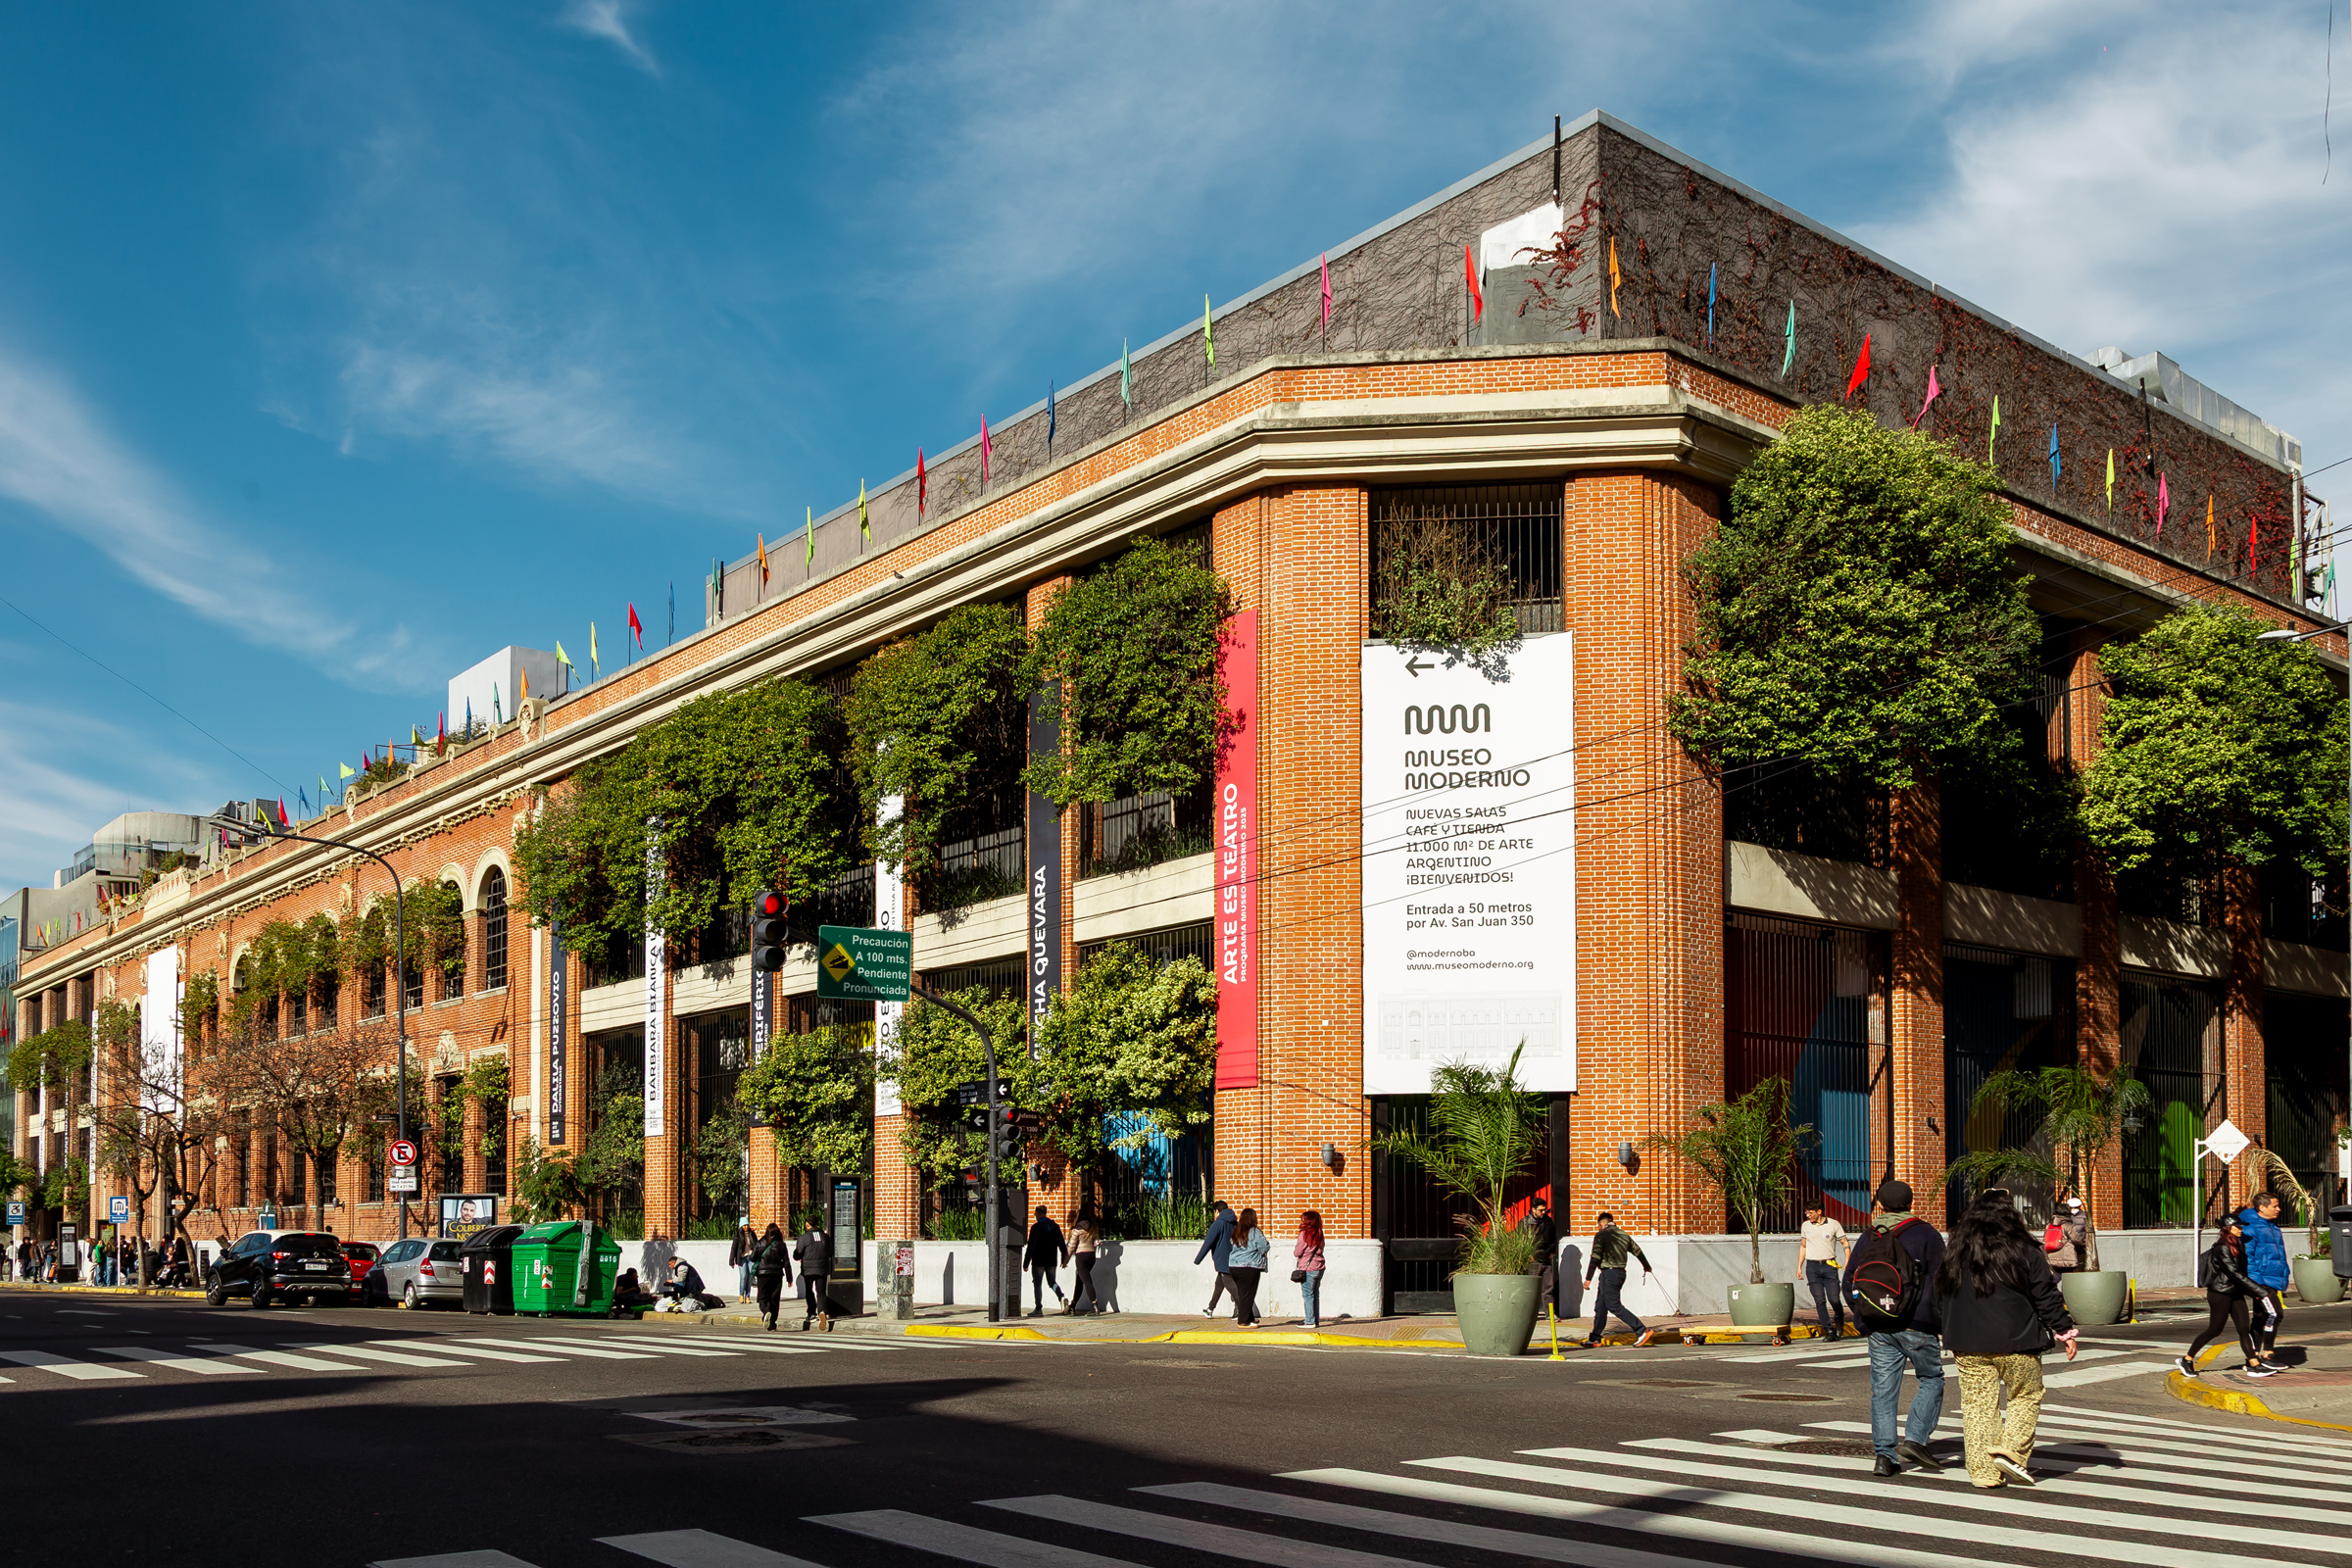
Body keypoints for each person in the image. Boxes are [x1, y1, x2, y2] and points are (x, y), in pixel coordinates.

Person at [1937, 1188, 2079, 1488]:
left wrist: (1945, 1328)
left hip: (1967, 1343)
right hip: (2018, 1340)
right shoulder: (2024, 1249)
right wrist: (2064, 1331)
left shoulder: (1955, 1250)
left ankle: (1983, 1473)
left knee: (1977, 1406)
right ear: (2010, 1215)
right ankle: (2012, 1450)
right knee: (2026, 1395)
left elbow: (1941, 1295)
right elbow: (2045, 1294)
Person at [1845, 1178, 1947, 1478]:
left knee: (1884, 1392)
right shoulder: (1927, 1234)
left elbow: (1850, 1279)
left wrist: (1865, 1314)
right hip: (1917, 1324)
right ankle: (1915, 1439)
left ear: (1880, 1205)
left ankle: (1884, 1457)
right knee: (1931, 1379)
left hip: (1879, 1327)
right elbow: (1943, 1282)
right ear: (1910, 1203)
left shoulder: (1870, 1236)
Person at [2180, 1213, 2264, 1377]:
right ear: (2227, 1228)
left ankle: (2254, 1363)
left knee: (2243, 1329)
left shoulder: (2238, 1244)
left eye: (2241, 1227)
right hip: (2220, 1293)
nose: (2241, 1229)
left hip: (2235, 1292)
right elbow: (2233, 1273)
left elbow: (2241, 1273)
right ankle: (2187, 1359)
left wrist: (2251, 1291)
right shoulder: (2222, 1248)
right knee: (2214, 1330)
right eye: (2237, 1227)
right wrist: (2258, 1290)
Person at [1580, 1211, 1657, 1348]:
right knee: (1601, 1306)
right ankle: (1595, 1338)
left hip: (1609, 1274)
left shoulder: (1601, 1235)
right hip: (1619, 1273)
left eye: (1598, 1226)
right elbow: (1638, 1251)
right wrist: (1647, 1267)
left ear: (1601, 1224)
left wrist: (1588, 1279)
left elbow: (1595, 1257)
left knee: (1613, 1305)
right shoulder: (1623, 1234)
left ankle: (1641, 1330)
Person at [2239, 1192, 2292, 1373]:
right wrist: (2257, 1285)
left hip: (2272, 1278)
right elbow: (2249, 1258)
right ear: (2262, 1208)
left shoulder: (2272, 1226)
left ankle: (2252, 1358)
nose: (2278, 1209)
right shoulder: (2251, 1228)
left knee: (2261, 1317)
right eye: (2274, 1206)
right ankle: (2268, 1355)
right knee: (2275, 1314)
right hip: (2262, 1281)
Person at [1799, 1202, 1849, 1339]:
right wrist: (1799, 1266)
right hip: (1812, 1267)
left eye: (1810, 1212)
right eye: (1806, 1213)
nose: (1808, 1215)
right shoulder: (1806, 1226)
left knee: (1834, 1299)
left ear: (1819, 1211)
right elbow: (1803, 1246)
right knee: (1819, 1300)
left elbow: (1845, 1242)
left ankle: (1839, 1320)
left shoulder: (1833, 1224)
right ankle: (1828, 1330)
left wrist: (1847, 1260)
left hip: (1829, 1265)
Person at [1193, 1200, 1237, 1318]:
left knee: (1232, 1287)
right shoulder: (1235, 1223)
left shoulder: (1218, 1224)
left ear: (1217, 1211)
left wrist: (1198, 1260)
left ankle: (1243, 1309)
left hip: (1223, 1261)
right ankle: (1210, 1309)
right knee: (1219, 1285)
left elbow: (1208, 1242)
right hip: (1235, 1259)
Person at [1227, 1207, 1269, 1326]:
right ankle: (1243, 1321)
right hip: (1249, 1266)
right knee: (1248, 1294)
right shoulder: (1255, 1231)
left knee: (1243, 1293)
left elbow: (1232, 1245)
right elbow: (1264, 1247)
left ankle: (1250, 1317)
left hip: (1234, 1266)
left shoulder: (1237, 1231)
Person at [1024, 1205, 1068, 1317]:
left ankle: (1038, 1309)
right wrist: (1064, 1260)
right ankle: (1061, 1297)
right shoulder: (1055, 1227)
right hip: (1051, 1261)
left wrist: (1026, 1263)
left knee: (1037, 1284)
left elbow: (1031, 1247)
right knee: (1052, 1282)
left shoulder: (1036, 1227)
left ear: (1038, 1214)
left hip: (1038, 1261)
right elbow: (1062, 1245)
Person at [795, 1215, 833, 1331]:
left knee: (809, 1291)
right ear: (817, 1224)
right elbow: (831, 1252)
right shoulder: (825, 1237)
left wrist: (797, 1255)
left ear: (807, 1225)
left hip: (808, 1269)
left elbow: (797, 1254)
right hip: (822, 1268)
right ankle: (822, 1311)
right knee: (821, 1292)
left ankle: (811, 1312)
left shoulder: (803, 1238)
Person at [753, 1222, 792, 1332]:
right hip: (777, 1274)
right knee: (775, 1298)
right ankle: (772, 1323)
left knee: (763, 1297)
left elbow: (752, 1257)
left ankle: (766, 1311)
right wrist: (789, 1278)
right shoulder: (781, 1245)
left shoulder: (761, 1242)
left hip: (763, 1274)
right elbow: (787, 1263)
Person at [2047, 1195, 2098, 1276]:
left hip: (2054, 1251)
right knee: (2073, 1274)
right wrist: (2083, 1243)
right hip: (2073, 1250)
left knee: (2057, 1274)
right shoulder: (2071, 1222)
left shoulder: (2051, 1223)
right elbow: (2075, 1238)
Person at [1527, 1200, 1558, 1324]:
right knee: (1531, 1289)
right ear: (1533, 1209)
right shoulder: (1526, 1223)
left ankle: (1549, 1313)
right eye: (1540, 1210)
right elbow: (1521, 1241)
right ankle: (1529, 1314)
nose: (1543, 1212)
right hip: (1533, 1260)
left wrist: (1551, 1252)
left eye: (1545, 1209)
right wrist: (1529, 1255)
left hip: (1546, 1259)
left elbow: (1553, 1239)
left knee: (1548, 1288)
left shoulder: (1548, 1222)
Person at [1295, 1209, 1327, 1329]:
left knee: (1308, 1295)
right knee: (1315, 1295)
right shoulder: (1320, 1233)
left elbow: (1298, 1251)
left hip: (1308, 1268)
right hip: (1319, 1266)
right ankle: (1315, 1319)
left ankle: (1309, 1321)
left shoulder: (1304, 1234)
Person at [1067, 1212, 1101, 1315]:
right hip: (1091, 1256)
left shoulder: (1076, 1230)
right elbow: (1096, 1242)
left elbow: (1071, 1247)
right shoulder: (1092, 1228)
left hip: (1081, 1256)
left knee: (1087, 1281)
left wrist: (1065, 1261)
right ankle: (1073, 1305)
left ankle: (1095, 1307)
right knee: (1080, 1280)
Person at [729, 1219, 760, 1303]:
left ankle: (747, 1296)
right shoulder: (738, 1236)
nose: (746, 1227)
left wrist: (757, 1257)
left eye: (747, 1225)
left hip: (750, 1257)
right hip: (741, 1258)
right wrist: (731, 1261)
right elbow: (734, 1248)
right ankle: (741, 1295)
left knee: (750, 1276)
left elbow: (756, 1246)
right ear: (741, 1226)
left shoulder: (752, 1234)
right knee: (743, 1276)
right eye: (744, 1225)